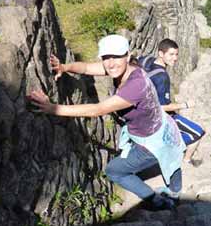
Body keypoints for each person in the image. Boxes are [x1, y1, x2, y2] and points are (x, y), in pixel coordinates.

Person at [29, 34, 185, 210]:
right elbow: (87, 68)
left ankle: (156, 201)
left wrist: (53, 108)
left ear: (127, 56)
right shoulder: (127, 67)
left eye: (116, 57)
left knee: (114, 171)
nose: (110, 63)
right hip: (161, 126)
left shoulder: (136, 85)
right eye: (106, 58)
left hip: (152, 140)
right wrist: (65, 67)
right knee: (172, 156)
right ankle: (174, 192)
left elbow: (98, 109)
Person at [139, 39, 205, 168]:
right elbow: (162, 107)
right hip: (157, 115)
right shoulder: (162, 77)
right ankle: (185, 160)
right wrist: (185, 105)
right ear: (161, 53)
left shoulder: (147, 61)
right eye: (171, 54)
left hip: (142, 111)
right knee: (198, 133)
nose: (175, 58)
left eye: (176, 54)